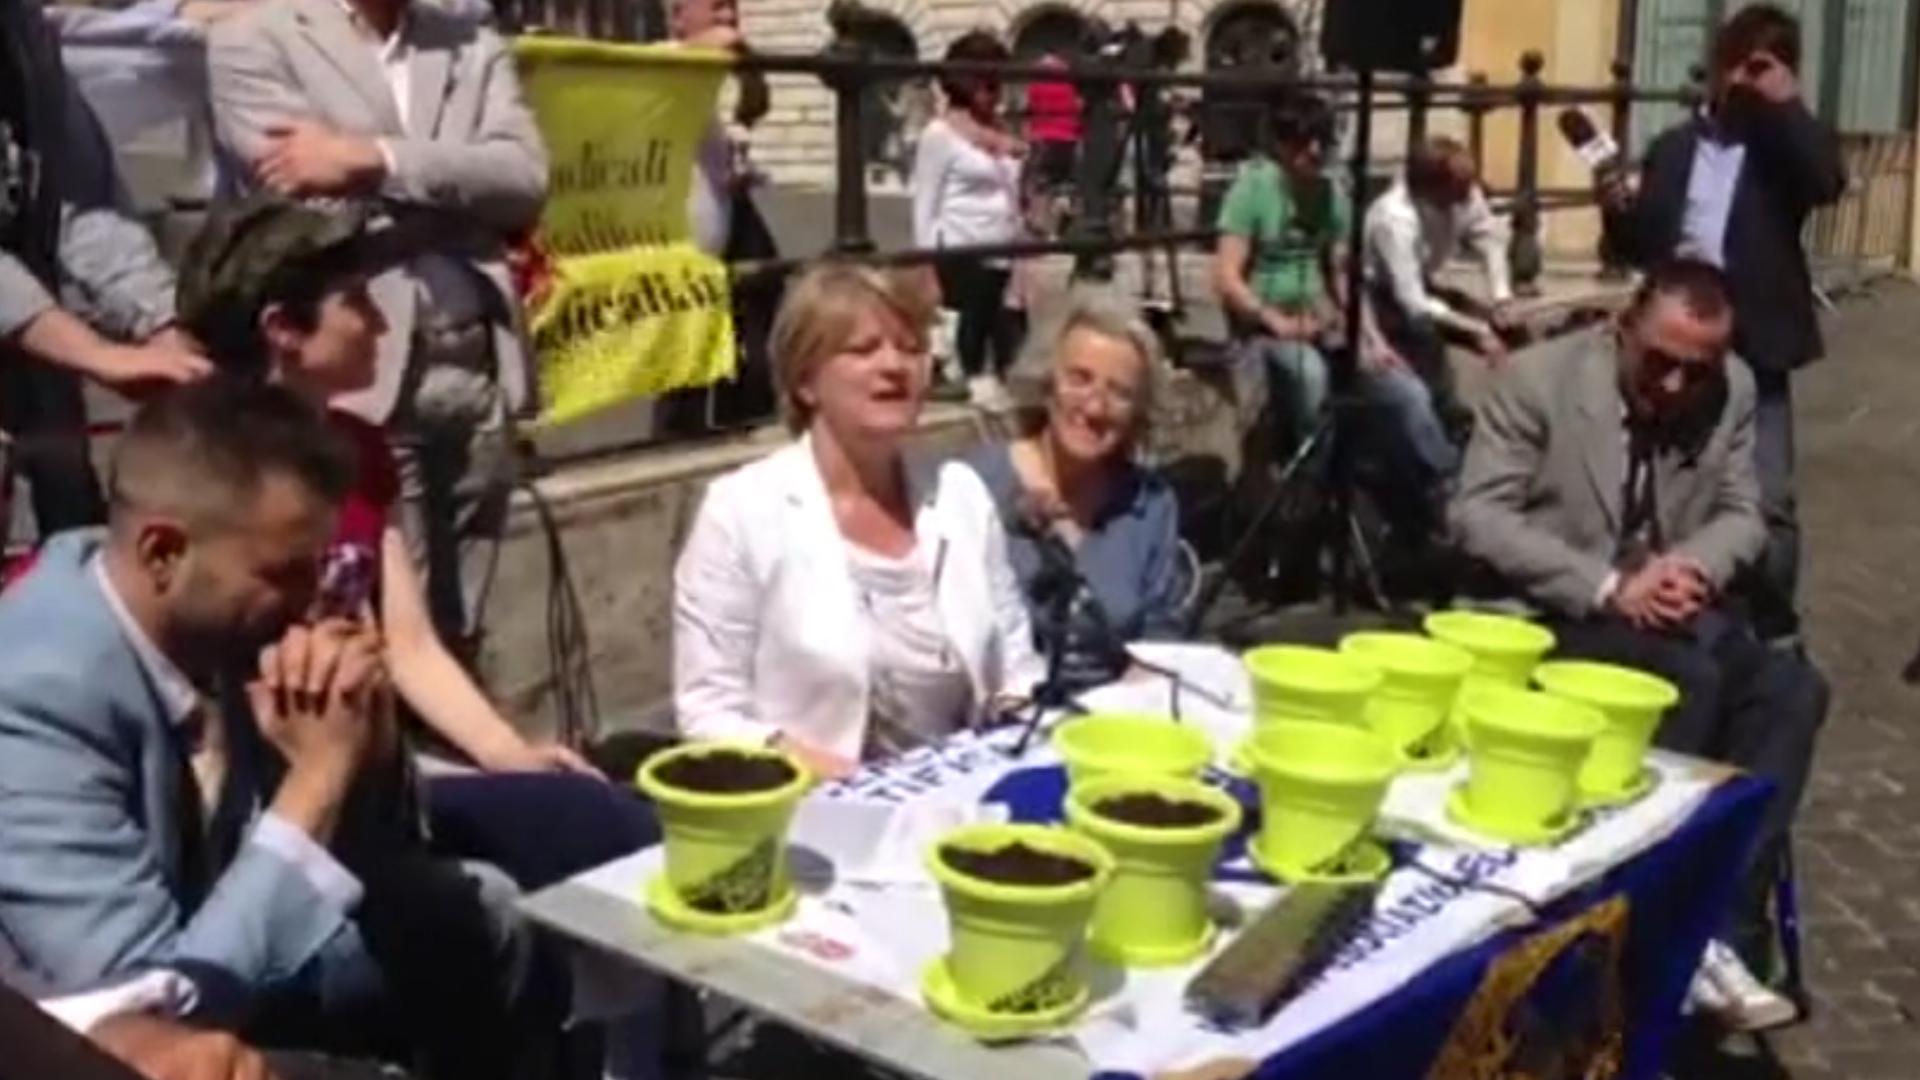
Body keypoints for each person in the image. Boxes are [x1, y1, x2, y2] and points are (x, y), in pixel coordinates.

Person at [0, 381, 549, 1077]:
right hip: (120, 1030)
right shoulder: (32, 694)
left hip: (243, 939)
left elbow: (380, 853)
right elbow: (155, 1017)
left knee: (477, 911)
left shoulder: (213, 625)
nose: (309, 599)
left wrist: (363, 737)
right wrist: (315, 781)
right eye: (285, 572)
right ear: (163, 552)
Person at [175, 193, 659, 885]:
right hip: (265, 804)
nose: (379, 323)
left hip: (374, 777)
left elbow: (408, 643)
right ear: (284, 329)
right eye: (358, 302)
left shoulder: (359, 450)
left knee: (606, 818)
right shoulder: (204, 468)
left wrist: (508, 753)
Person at [1449, 258, 1828, 1032]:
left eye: (1698, 370)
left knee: (1793, 688)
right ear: (1623, 330)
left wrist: (1693, 566)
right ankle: (1642, 926)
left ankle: (1716, 926)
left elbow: (1743, 510)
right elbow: (1478, 517)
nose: (1677, 387)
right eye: (1660, 363)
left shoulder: (1737, 390)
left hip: (1669, 601)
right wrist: (1607, 587)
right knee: (1684, 680)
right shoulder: (1536, 380)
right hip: (1549, 610)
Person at [207, 0, 550, 664]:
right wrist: (465, 196)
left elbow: (526, 180)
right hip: (356, 371)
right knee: (380, 625)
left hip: (476, 360)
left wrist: (376, 159)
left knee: (466, 620)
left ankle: (460, 754)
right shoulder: (252, 40)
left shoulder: (469, 42)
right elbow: (306, 219)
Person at [673, 261, 1043, 778]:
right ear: (806, 381)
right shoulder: (741, 511)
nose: (894, 366)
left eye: (910, 348)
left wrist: (1017, 741)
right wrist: (845, 779)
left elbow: (1018, 672)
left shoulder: (961, 496)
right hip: (808, 814)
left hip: (963, 799)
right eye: (864, 349)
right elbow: (708, 713)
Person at [1599, 4, 1844, 644]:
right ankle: (1665, 597)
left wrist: (1786, 104)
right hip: (1677, 335)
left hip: (1755, 337)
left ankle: (1772, 625)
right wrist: (1618, 209)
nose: (1743, 79)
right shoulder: (1674, 148)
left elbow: (1827, 182)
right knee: (1665, 478)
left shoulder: (1780, 152)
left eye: (1762, 67)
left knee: (1770, 496)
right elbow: (1637, 242)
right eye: (1737, 62)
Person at [1, 0, 211, 533]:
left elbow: (80, 203)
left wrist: (161, 324)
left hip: (37, 403)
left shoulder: (23, 31)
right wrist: (96, 354)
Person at [966, 292, 1184, 690]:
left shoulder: (1150, 505)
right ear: (1047, 384)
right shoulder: (977, 487)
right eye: (1079, 379)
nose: (1096, 407)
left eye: (1119, 393)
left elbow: (1162, 640)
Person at [1213, 91, 1348, 457]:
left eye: (1322, 140)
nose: (1316, 151)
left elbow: (1338, 266)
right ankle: (1303, 487)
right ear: (1282, 144)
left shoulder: (1330, 192)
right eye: (1305, 142)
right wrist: (1276, 321)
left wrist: (1345, 315)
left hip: (1314, 317)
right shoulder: (1252, 188)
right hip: (1261, 324)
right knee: (1312, 379)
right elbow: (1227, 278)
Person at [911, 29, 1025, 410]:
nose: (996, 93)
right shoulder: (939, 135)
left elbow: (1014, 191)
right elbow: (924, 202)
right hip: (962, 244)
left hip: (1002, 245)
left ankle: (989, 392)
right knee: (973, 337)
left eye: (999, 84)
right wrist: (926, 265)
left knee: (1004, 333)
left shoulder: (1000, 131)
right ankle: (976, 391)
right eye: (988, 84)